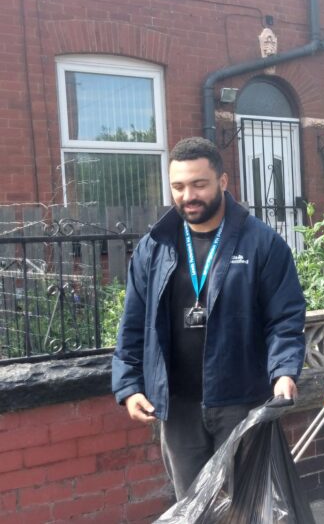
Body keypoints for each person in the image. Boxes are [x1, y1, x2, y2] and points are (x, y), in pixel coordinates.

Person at [111, 136, 306, 499]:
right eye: (178, 187)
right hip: (177, 407)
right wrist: (128, 385)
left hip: (242, 402)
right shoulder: (154, 247)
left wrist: (283, 373)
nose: (188, 196)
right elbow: (134, 321)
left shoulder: (262, 243)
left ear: (223, 181)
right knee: (192, 506)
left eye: (199, 184)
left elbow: (285, 318)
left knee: (244, 506)